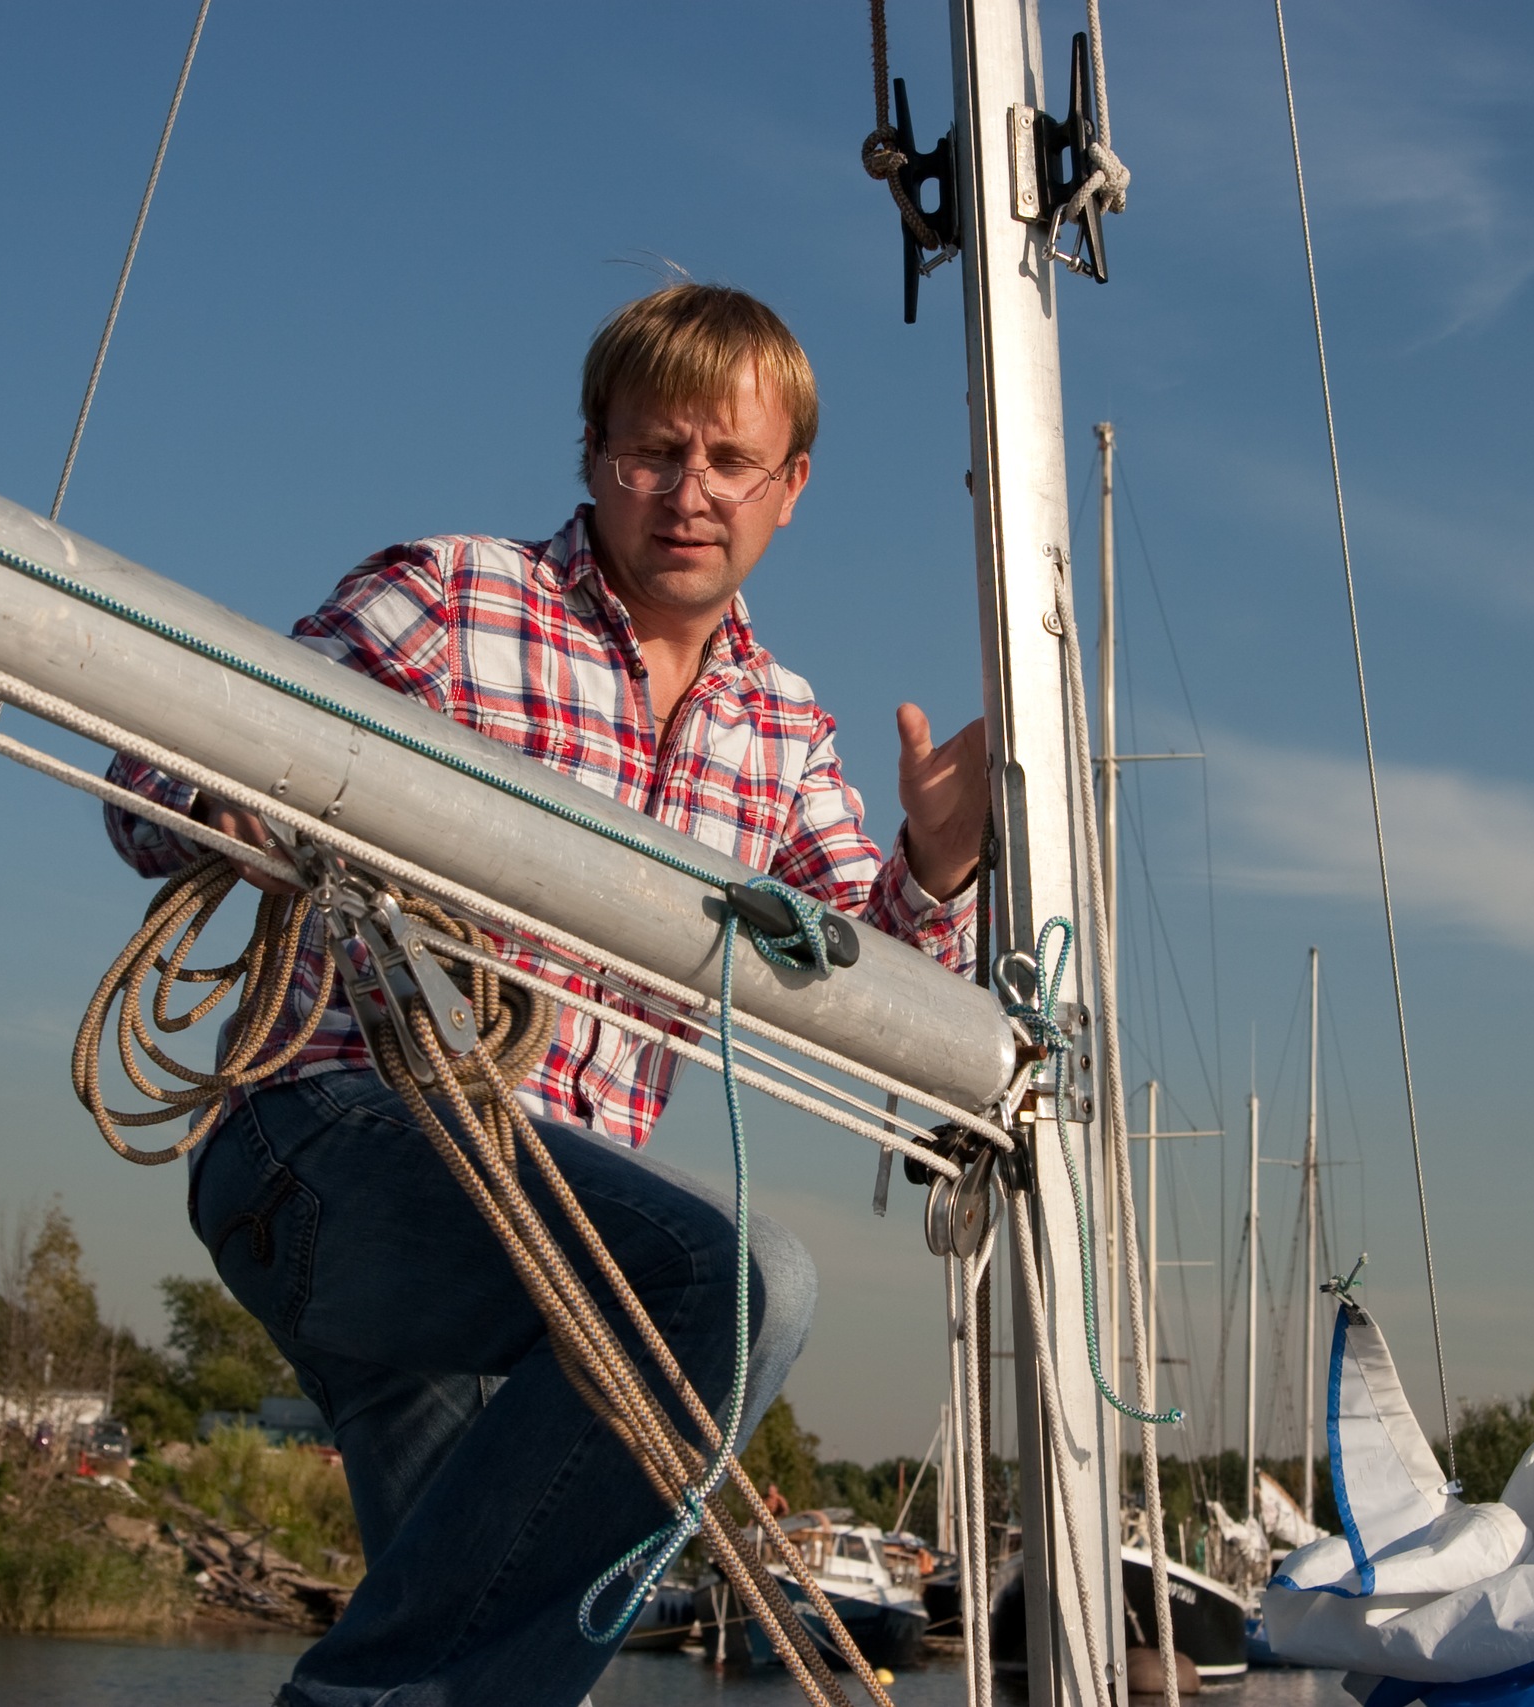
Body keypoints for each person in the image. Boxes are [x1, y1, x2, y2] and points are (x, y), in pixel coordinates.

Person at [104, 282, 989, 1706]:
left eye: (732, 461)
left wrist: (937, 870)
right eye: (654, 452)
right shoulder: (453, 600)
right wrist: (266, 790)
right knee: (737, 1282)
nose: (690, 493)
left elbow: (868, 990)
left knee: (493, 1651)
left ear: (791, 489)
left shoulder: (784, 731)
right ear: (592, 453)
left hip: (546, 1244)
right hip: (335, 1151)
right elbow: (154, 779)